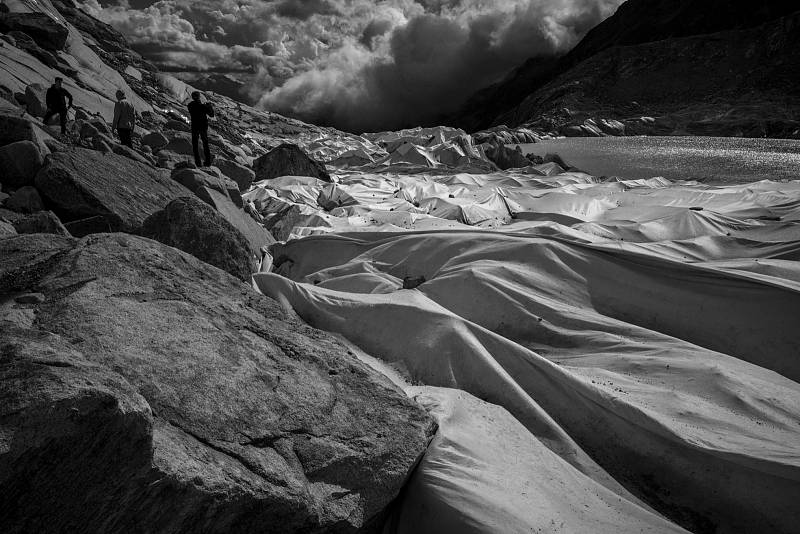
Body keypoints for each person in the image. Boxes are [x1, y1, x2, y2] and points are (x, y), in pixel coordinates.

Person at [187, 91, 215, 167]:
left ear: (192, 97)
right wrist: (209, 106)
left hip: (194, 126)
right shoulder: (203, 106)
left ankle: (198, 162)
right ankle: (207, 162)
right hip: (203, 127)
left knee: (195, 144)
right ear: (199, 97)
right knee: (205, 144)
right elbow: (212, 114)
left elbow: (192, 110)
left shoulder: (190, 105)